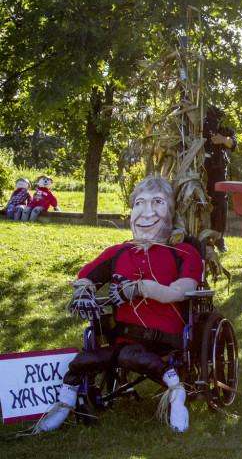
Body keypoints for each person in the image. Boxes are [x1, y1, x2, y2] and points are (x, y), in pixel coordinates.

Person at [34, 176, 203, 433]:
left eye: (157, 202)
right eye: (139, 203)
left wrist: (141, 287)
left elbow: (182, 291)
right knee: (82, 360)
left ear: (171, 210)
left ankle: (176, 392)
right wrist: (84, 290)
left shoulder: (185, 252)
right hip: (124, 339)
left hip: (165, 338)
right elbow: (84, 276)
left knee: (128, 355)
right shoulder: (118, 252)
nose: (147, 212)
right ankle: (64, 404)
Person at [203, 105, 237, 252]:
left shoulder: (221, 115)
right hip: (198, 165)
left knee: (220, 201)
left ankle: (219, 238)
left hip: (217, 166)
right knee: (200, 200)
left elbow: (233, 142)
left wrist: (223, 139)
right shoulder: (194, 112)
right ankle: (201, 237)